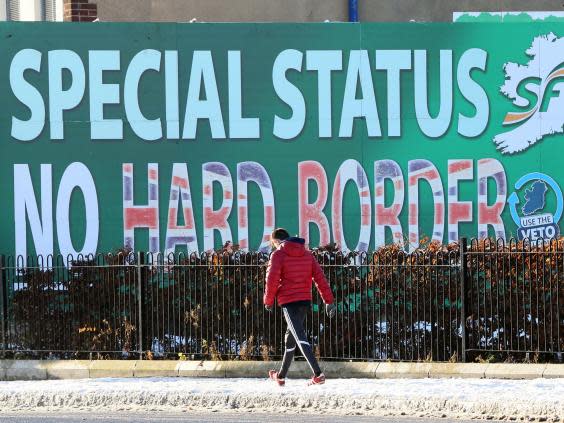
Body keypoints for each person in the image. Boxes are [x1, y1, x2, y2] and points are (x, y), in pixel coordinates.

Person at [263, 228, 337, 386]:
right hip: (304, 300)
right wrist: (328, 300)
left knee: (299, 336)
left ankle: (318, 374)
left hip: (288, 302)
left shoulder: (278, 255)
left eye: (274, 244)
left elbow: (272, 280)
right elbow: (320, 278)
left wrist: (268, 301)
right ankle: (281, 376)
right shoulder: (307, 255)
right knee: (290, 339)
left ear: (276, 241)